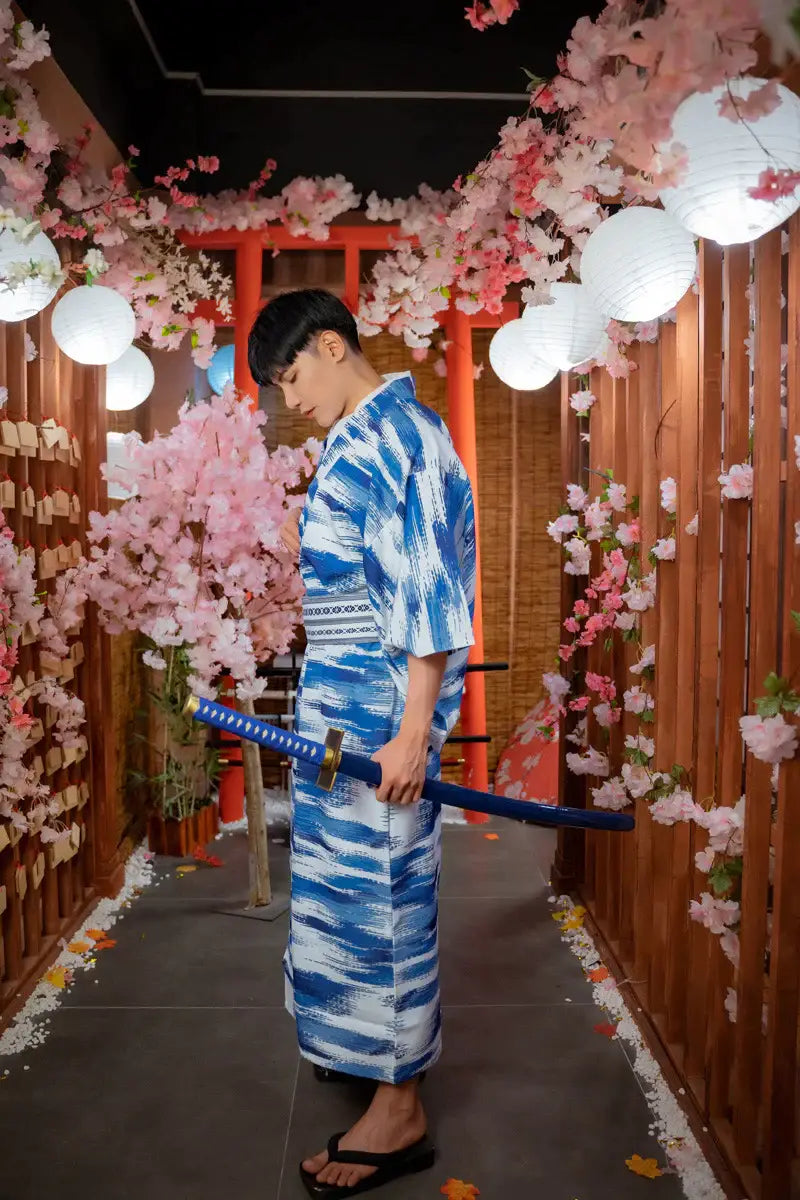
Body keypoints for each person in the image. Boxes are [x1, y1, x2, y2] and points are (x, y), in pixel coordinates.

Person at [248, 289, 476, 1198]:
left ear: (333, 346)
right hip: (338, 711)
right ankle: (359, 1043)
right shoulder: (354, 438)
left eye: (291, 375)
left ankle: (400, 1103)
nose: (289, 399)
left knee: (385, 895)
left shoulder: (403, 436)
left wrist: (414, 733)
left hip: (381, 714)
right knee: (339, 892)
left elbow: (429, 595)